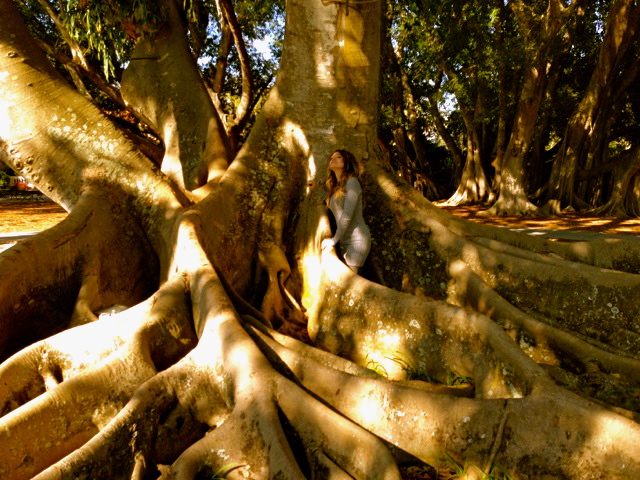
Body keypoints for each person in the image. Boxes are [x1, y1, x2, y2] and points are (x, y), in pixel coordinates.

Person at [321, 149, 371, 273]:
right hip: (343, 240)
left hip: (357, 240)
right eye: (331, 157)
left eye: (338, 157)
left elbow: (347, 215)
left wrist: (334, 240)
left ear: (347, 162)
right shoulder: (335, 187)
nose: (333, 159)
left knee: (351, 284)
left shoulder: (352, 182)